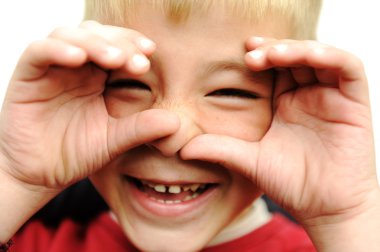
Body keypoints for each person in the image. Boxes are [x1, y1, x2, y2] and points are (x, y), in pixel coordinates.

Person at [1, 0, 379, 251]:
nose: (171, 130)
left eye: (230, 92)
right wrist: (14, 177)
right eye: (130, 84)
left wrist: (348, 217)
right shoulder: (33, 238)